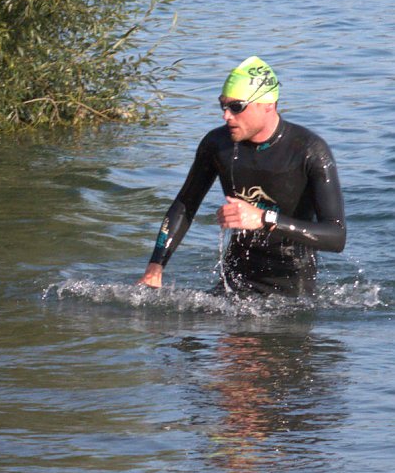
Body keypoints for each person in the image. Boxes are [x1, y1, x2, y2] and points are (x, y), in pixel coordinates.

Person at [139, 56, 346, 296]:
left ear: (268, 104)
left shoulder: (309, 151)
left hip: (289, 291)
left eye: (236, 107)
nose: (226, 115)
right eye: (223, 105)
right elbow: (185, 205)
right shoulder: (217, 144)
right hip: (233, 280)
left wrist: (264, 219)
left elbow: (336, 236)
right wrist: (155, 268)